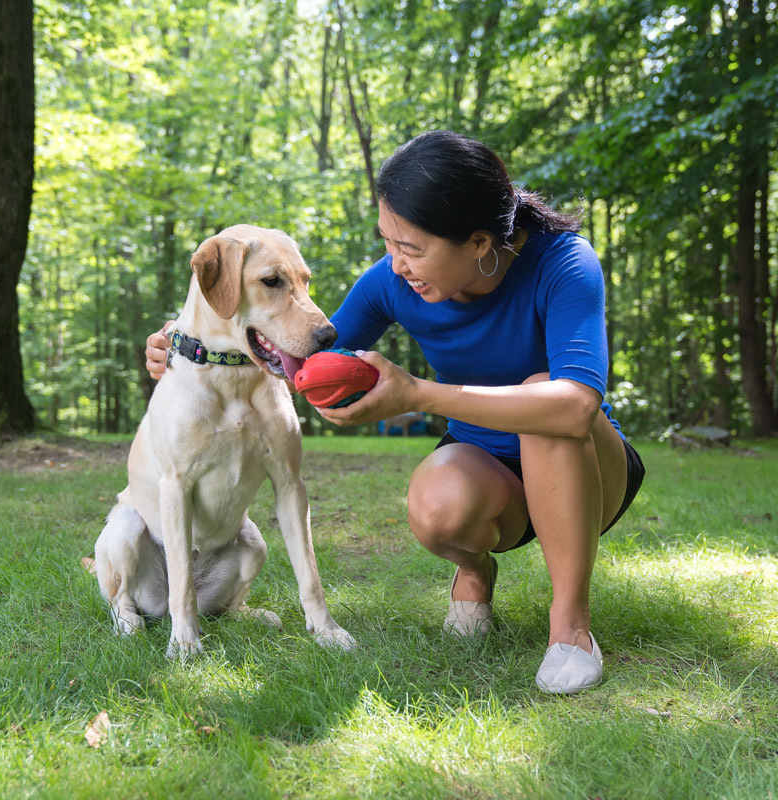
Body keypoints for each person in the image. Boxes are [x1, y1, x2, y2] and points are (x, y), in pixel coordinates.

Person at [145, 130, 645, 693]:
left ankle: (570, 627)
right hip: (491, 473)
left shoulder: (564, 263)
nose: (396, 263)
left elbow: (576, 407)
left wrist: (418, 394)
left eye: (412, 248)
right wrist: (188, 341)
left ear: (479, 242)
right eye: (388, 242)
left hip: (588, 470)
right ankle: (476, 570)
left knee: (543, 392)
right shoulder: (392, 282)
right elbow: (307, 354)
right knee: (435, 505)